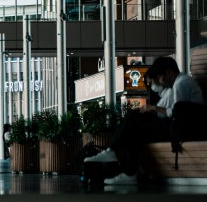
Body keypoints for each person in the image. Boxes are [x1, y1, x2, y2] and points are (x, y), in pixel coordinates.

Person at [85, 56, 205, 184]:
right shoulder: (180, 83)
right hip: (182, 127)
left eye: (159, 77)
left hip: (184, 129)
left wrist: (154, 109)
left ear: (169, 73)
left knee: (134, 120)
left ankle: (119, 159)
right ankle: (126, 168)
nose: (159, 81)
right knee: (134, 125)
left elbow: (177, 114)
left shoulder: (181, 84)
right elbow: (178, 112)